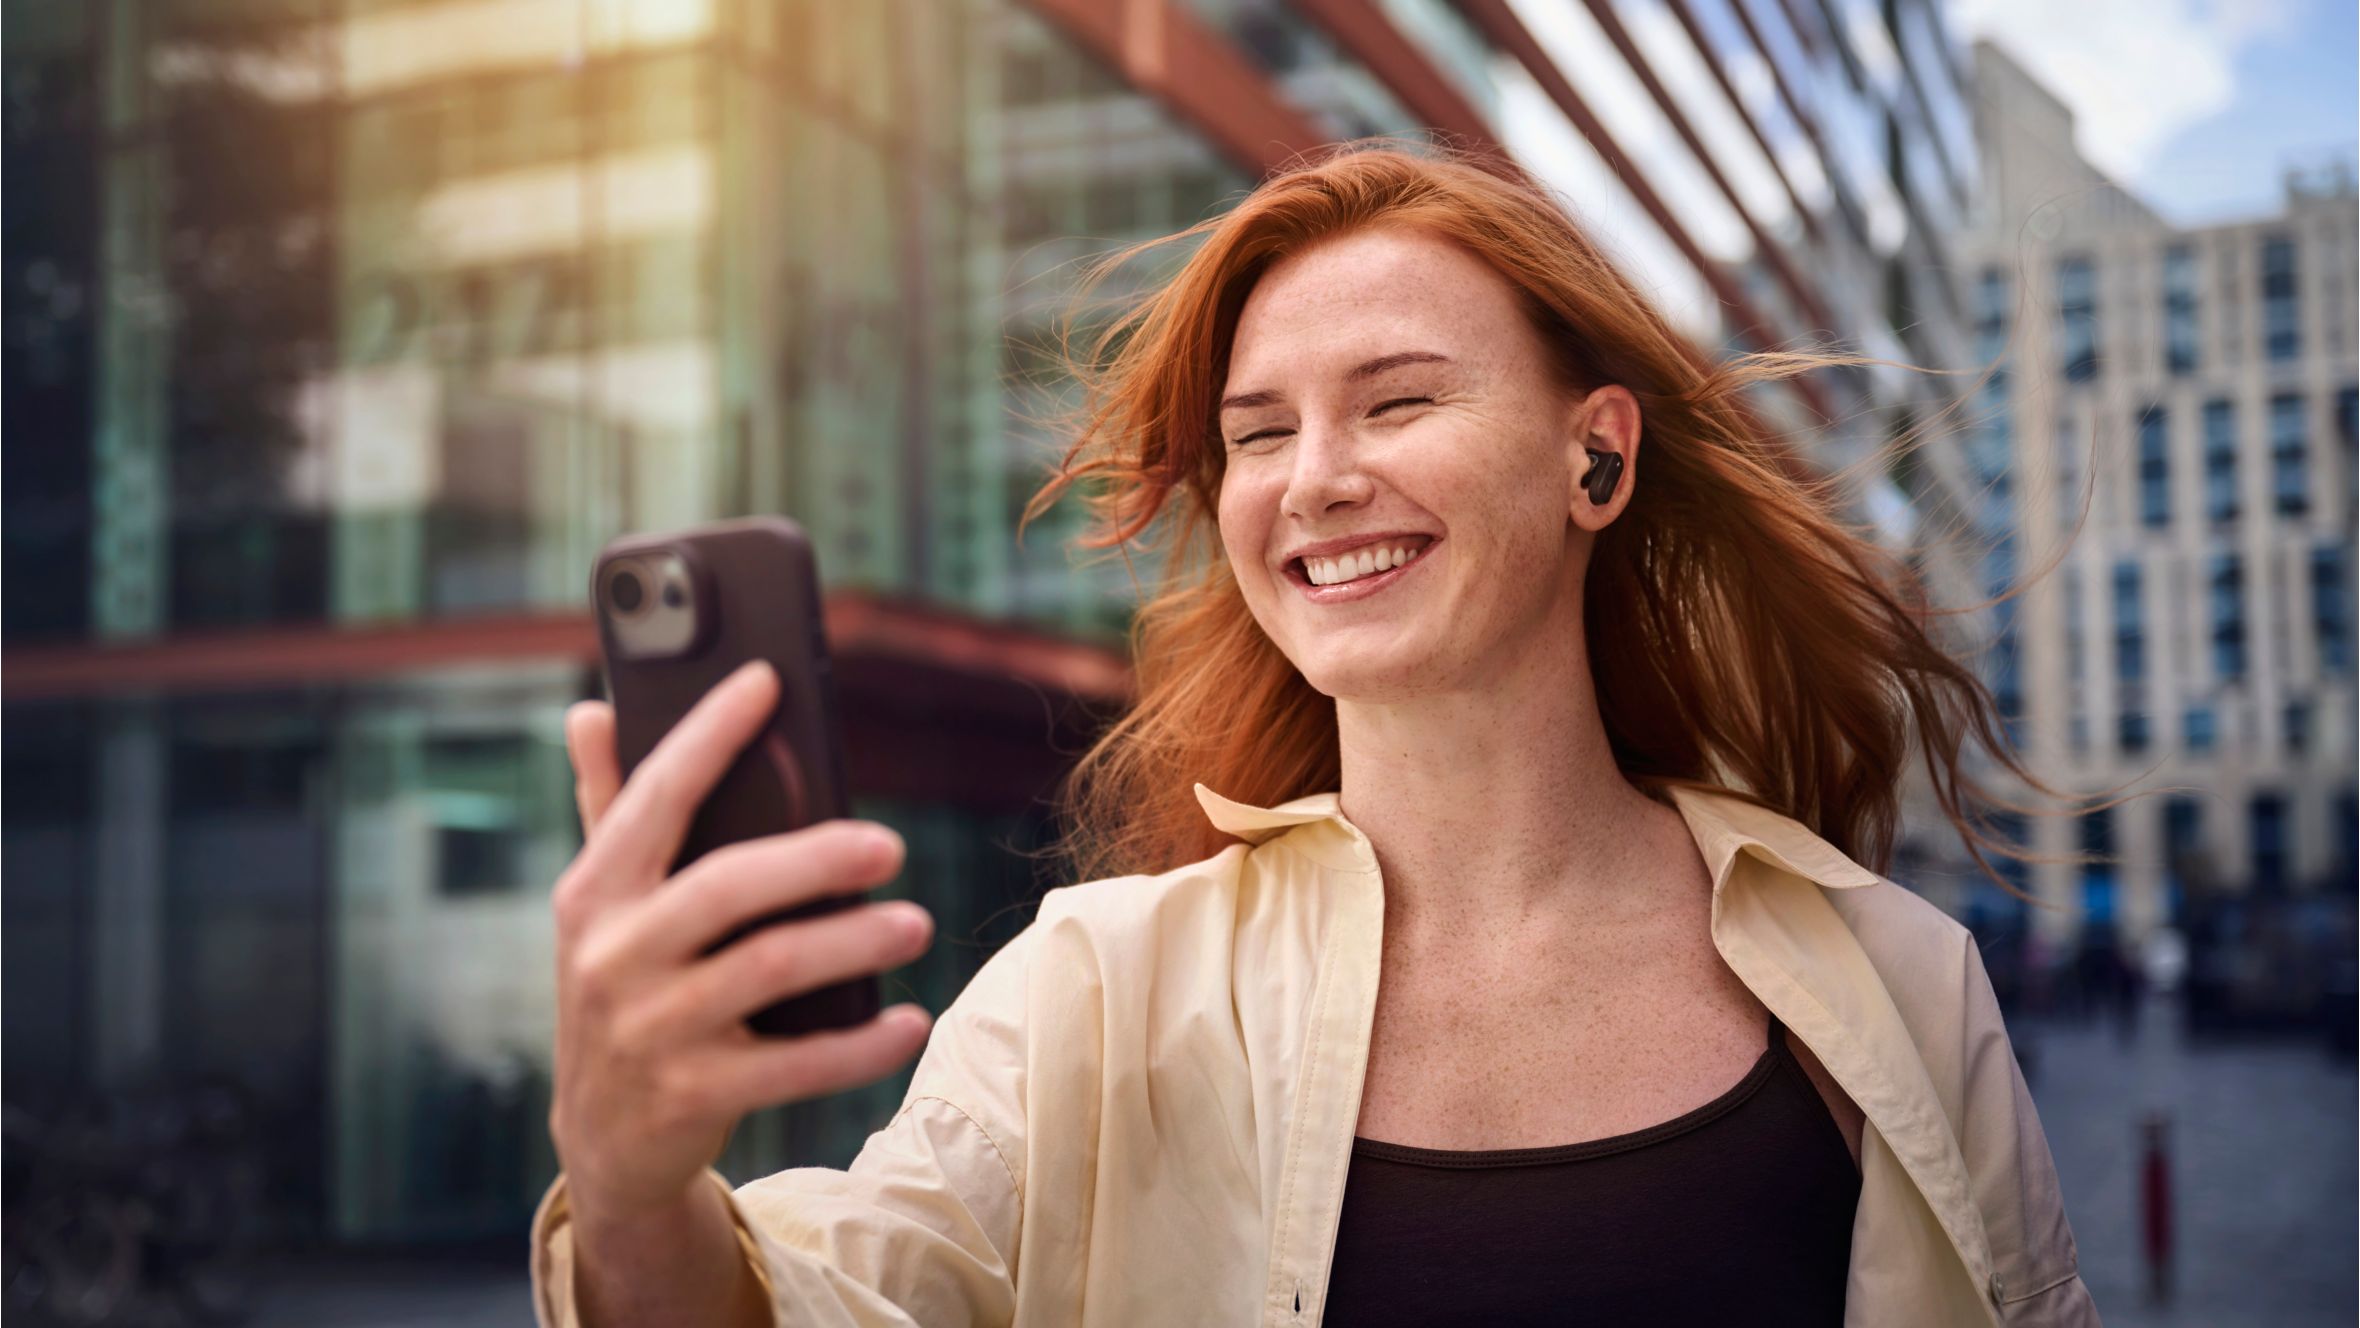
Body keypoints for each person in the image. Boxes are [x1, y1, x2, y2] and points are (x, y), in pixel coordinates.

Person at [529, 144, 2099, 1326]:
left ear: (1596, 460)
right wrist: (630, 1191)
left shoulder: (1897, 979)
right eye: (1259, 434)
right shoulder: (1094, 995)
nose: (1315, 478)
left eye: (1398, 402)